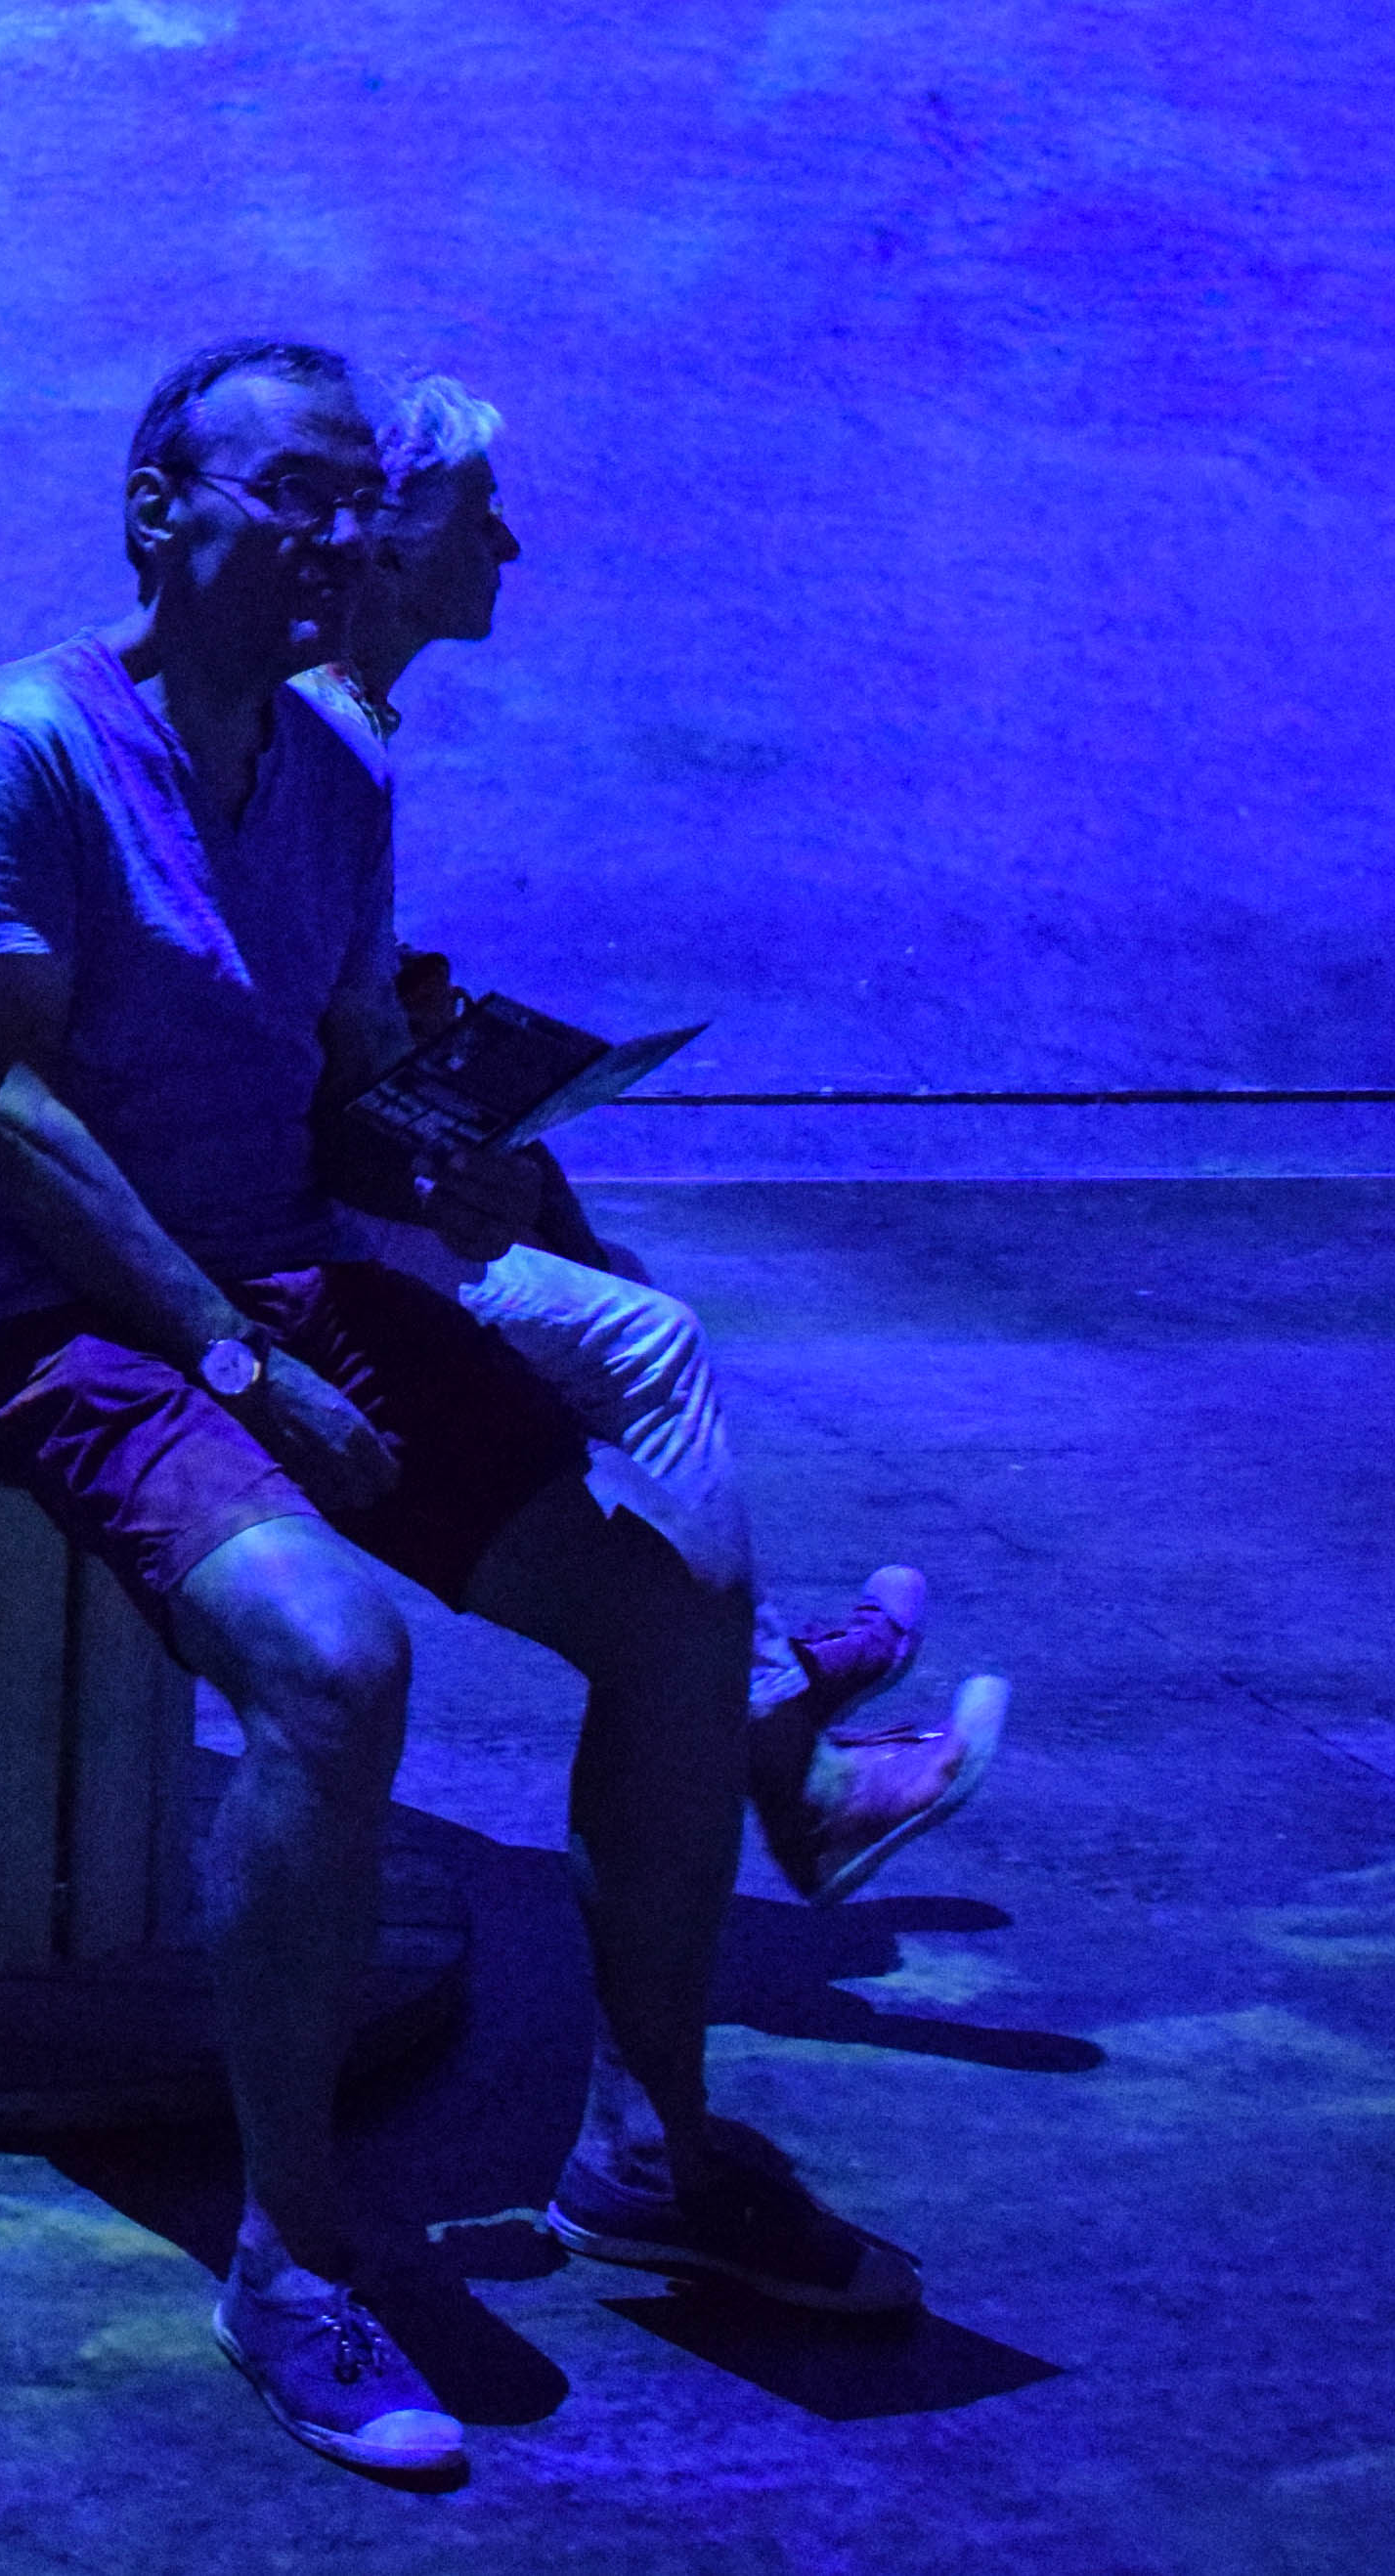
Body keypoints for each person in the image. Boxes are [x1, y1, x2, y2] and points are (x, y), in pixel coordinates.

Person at [0, 336, 919, 2489]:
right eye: (291, 491)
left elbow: (338, 1073)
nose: (336, 535)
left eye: (355, 499)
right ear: (154, 509)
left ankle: (649, 2140)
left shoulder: (337, 775)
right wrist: (238, 1356)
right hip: (47, 1314)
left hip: (268, 1281)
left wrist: (444, 1155)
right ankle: (291, 2253)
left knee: (672, 1617)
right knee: (334, 1657)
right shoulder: (30, 744)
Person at [304, 380, 1007, 1906]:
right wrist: (416, 1108)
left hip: (316, 1184)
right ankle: (779, 1740)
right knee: (649, 1340)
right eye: (481, 514)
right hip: (285, 1230)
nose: (508, 543)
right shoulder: (325, 726)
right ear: (396, 543)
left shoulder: (346, 719)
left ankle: (760, 1683)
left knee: (586, 1248)